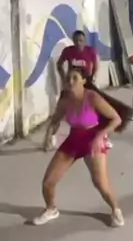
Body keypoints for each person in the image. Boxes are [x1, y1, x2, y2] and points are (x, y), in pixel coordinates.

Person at [33, 66, 125, 227]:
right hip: (73, 140)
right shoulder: (64, 100)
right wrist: (49, 135)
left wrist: (100, 136)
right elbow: (55, 121)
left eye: (75, 78)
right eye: (68, 78)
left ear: (83, 80)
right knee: (48, 182)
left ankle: (116, 210)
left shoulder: (92, 97)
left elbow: (116, 119)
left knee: (101, 183)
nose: (70, 81)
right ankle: (51, 209)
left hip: (92, 141)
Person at [54, 30, 133, 150]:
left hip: (87, 82)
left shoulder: (90, 51)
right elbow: (59, 64)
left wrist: (94, 77)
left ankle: (106, 134)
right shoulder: (68, 51)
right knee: (60, 110)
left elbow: (96, 65)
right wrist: (63, 78)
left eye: (81, 40)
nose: (78, 43)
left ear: (84, 41)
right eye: (76, 41)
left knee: (103, 107)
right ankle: (50, 137)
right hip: (73, 84)